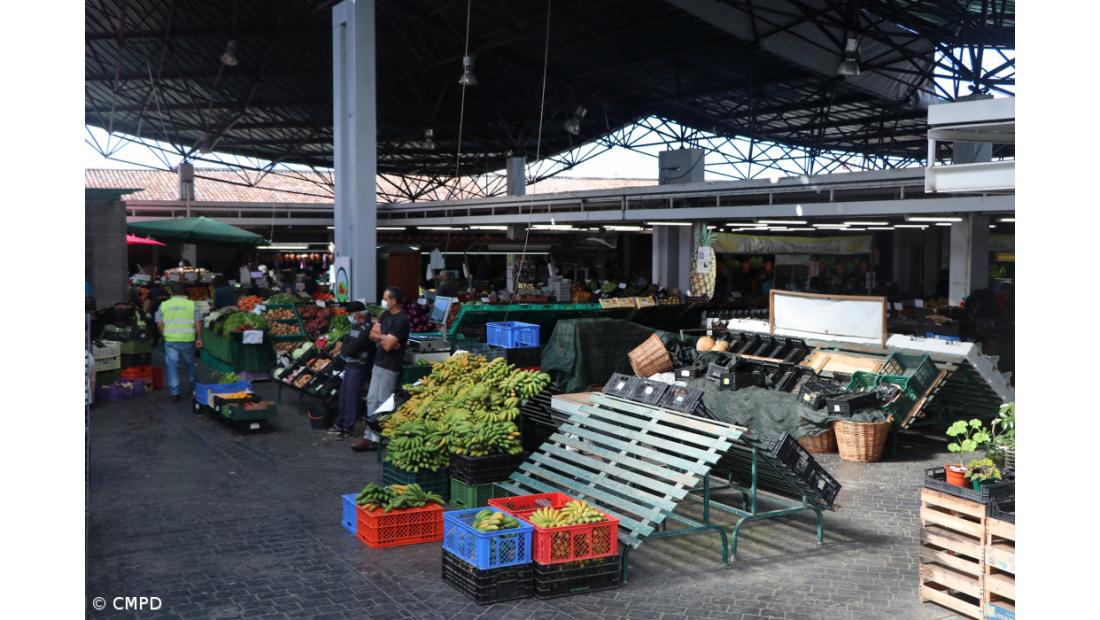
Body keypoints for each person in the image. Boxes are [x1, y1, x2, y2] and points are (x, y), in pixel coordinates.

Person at [351, 287, 410, 452]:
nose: (383, 301)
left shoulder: (401, 320)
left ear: (394, 301)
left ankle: (380, 437)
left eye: (385, 298)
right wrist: (386, 337)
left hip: (390, 365)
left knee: (382, 402)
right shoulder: (385, 315)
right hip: (378, 363)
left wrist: (384, 338)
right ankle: (370, 436)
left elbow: (389, 346)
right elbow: (372, 335)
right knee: (371, 400)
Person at [330, 301, 376, 438]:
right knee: (344, 395)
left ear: (357, 314)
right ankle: (339, 424)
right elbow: (346, 341)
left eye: (350, 314)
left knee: (352, 397)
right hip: (350, 365)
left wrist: (344, 348)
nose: (349, 316)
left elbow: (351, 348)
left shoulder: (368, 328)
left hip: (360, 366)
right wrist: (344, 346)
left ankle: (348, 428)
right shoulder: (356, 327)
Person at [156, 283, 203, 401]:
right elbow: (198, 322)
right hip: (187, 339)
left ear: (171, 292)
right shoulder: (192, 304)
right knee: (190, 364)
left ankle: (174, 392)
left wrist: (164, 334)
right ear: (184, 292)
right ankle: (193, 387)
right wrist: (199, 338)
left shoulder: (164, 305)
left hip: (170, 340)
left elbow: (159, 323)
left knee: (172, 366)